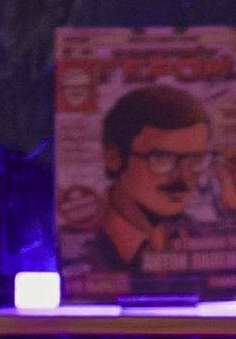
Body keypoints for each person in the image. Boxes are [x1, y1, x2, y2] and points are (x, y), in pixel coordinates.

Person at [87, 84, 212, 277]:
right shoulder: (79, 242)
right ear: (114, 158)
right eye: (162, 158)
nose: (184, 176)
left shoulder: (203, 238)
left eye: (195, 160)